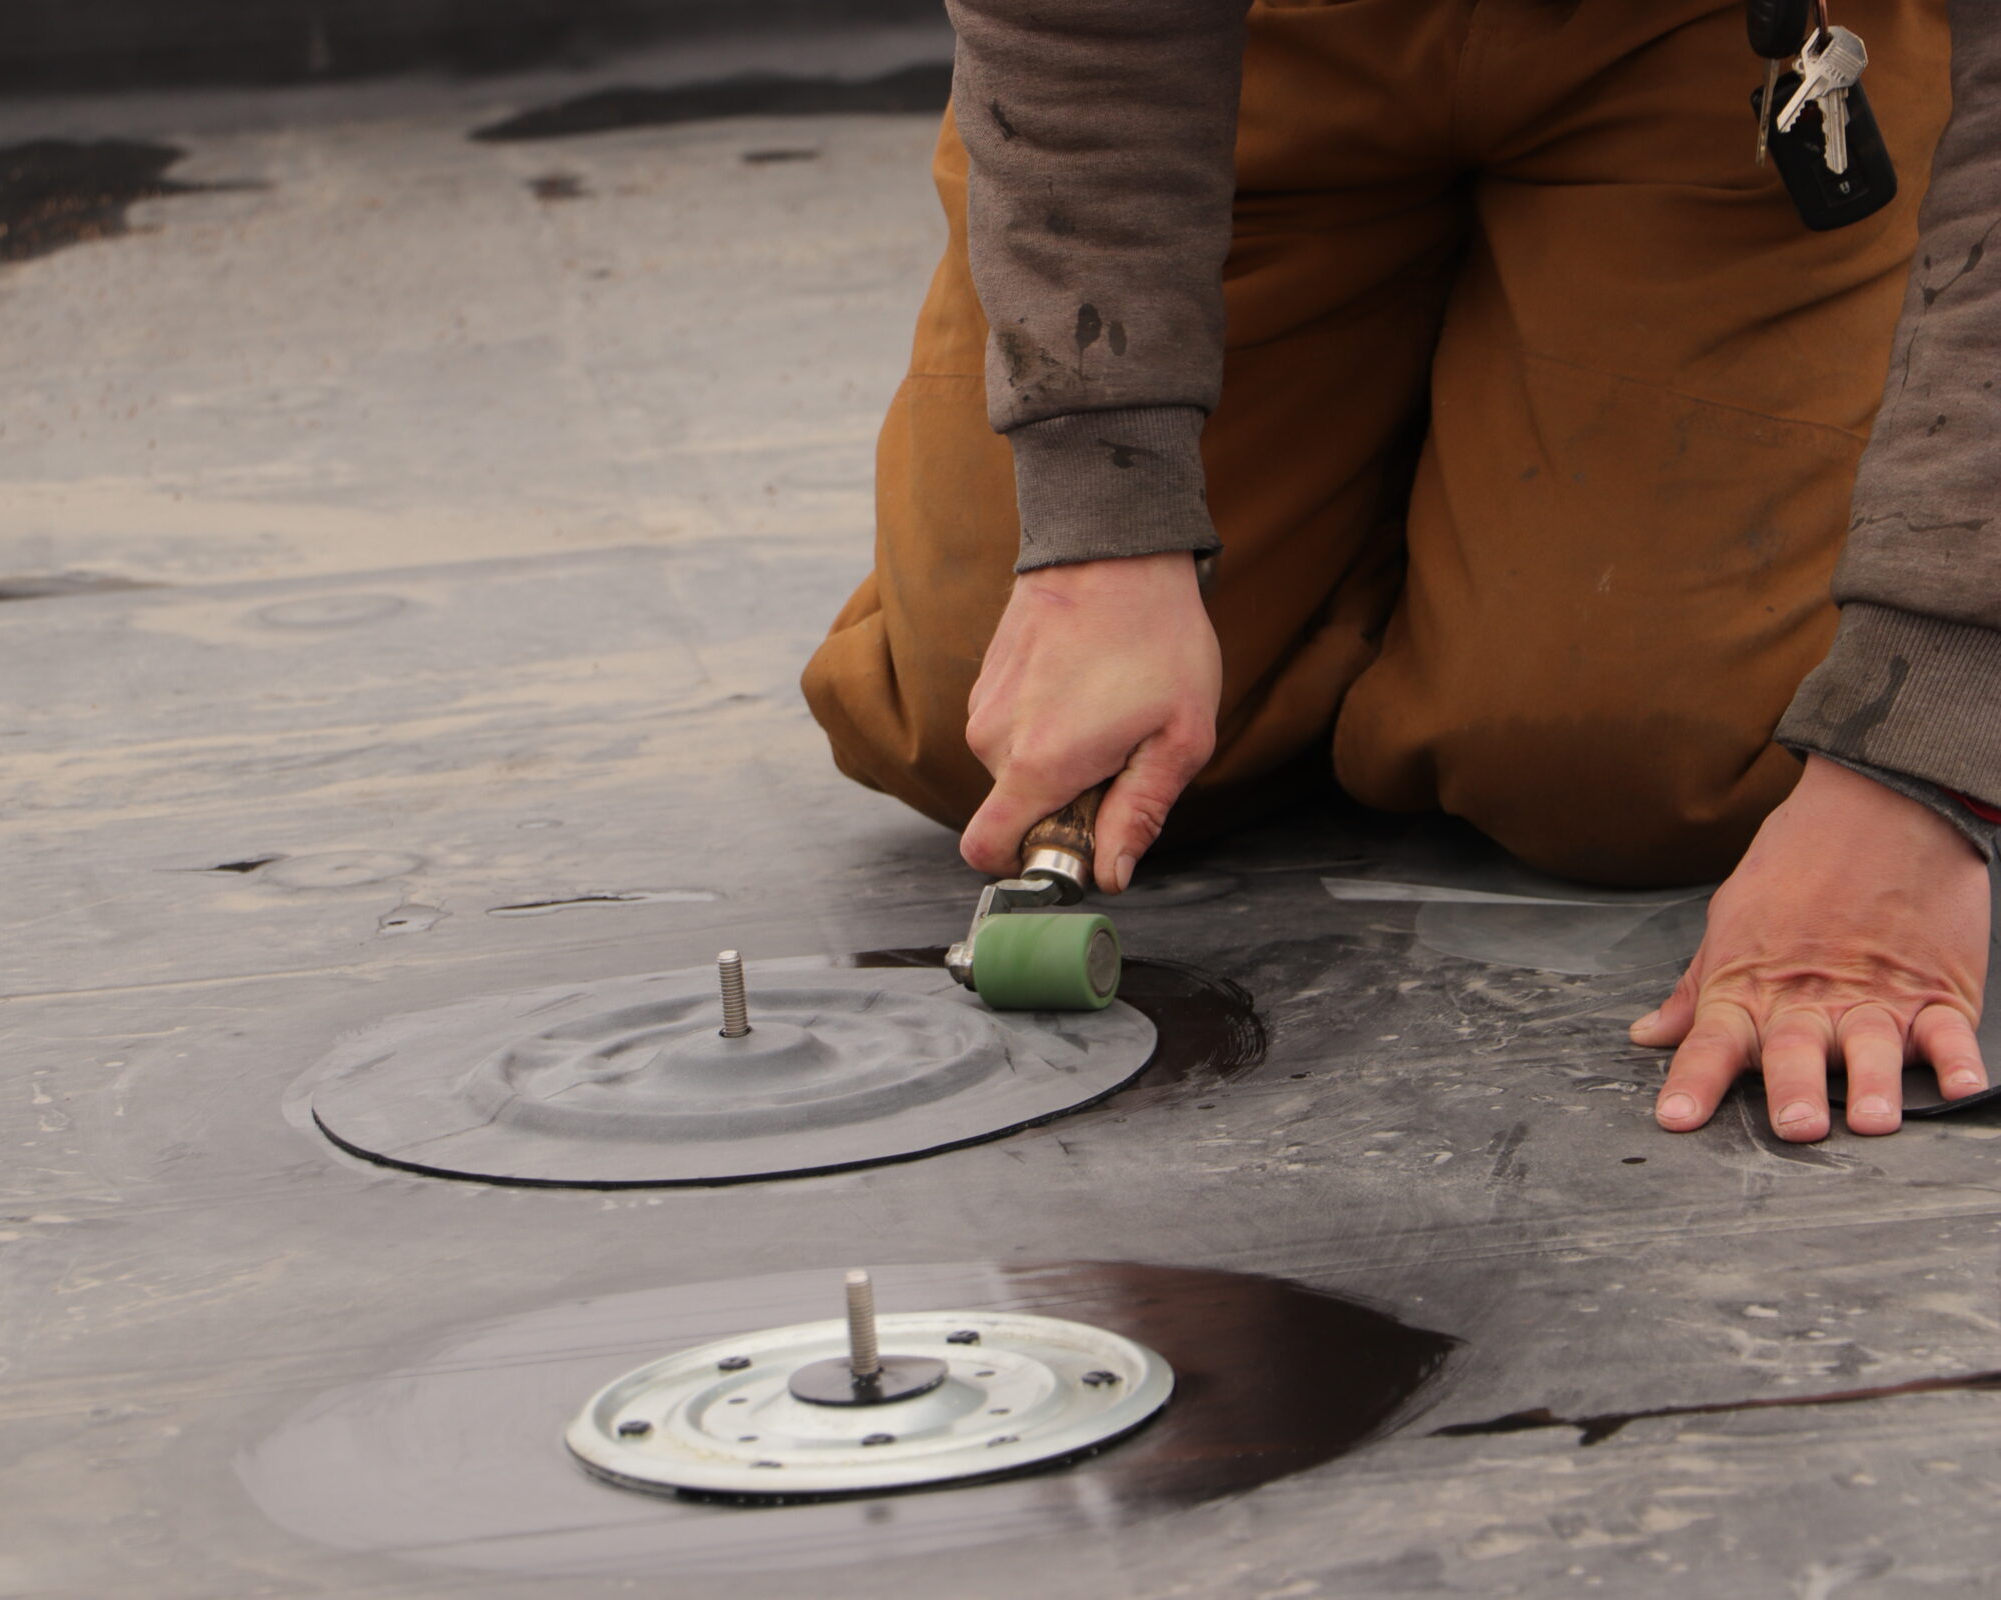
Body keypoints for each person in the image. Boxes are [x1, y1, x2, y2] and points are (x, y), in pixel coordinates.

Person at [802, 0, 1997, 1142]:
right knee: (981, 723)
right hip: (1250, 42)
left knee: (1646, 760)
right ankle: (1417, 488)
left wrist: (1931, 744)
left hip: (1719, 54)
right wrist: (1101, 526)